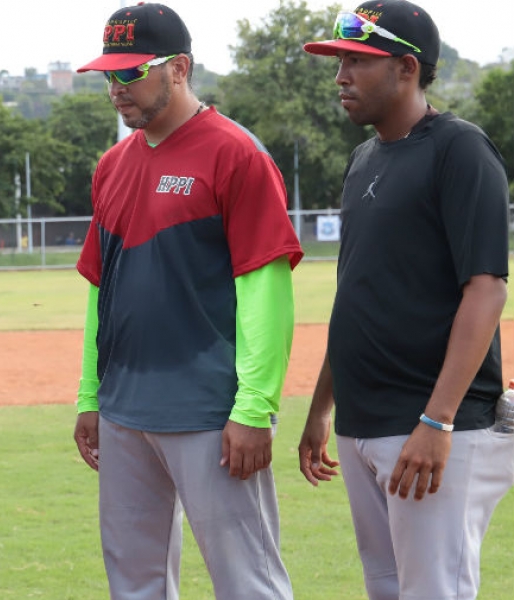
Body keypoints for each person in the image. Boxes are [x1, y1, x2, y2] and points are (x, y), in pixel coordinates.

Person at [70, 4, 303, 599]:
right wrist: (91, 395)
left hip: (209, 410)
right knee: (135, 583)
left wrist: (254, 408)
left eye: (130, 74)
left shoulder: (236, 153)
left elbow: (266, 289)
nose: (116, 91)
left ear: (179, 68)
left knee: (248, 582)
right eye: (107, 77)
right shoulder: (112, 165)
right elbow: (104, 288)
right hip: (124, 410)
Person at [298, 3, 513, 598]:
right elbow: (357, 296)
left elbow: (487, 288)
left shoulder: (460, 150)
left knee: (433, 590)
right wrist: (321, 408)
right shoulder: (364, 159)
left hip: (429, 423)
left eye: (356, 61)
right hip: (363, 421)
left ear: (407, 68)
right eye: (338, 60)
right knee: (387, 587)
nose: (340, 75)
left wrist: (437, 418)